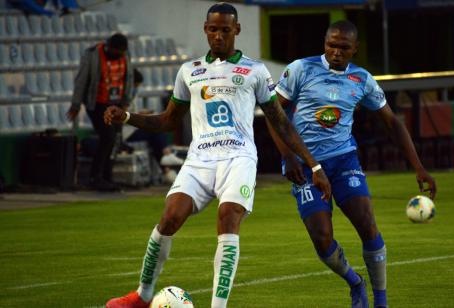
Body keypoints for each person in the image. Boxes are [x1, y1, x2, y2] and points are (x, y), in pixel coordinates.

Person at [103, 3, 330, 308]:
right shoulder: (189, 71)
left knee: (228, 217)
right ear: (205, 29)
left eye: (225, 29)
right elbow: (168, 120)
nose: (219, 35)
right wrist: (127, 116)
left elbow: (281, 122)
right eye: (213, 29)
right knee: (169, 218)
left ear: (236, 30)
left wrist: (312, 164)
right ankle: (142, 296)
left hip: (239, 159)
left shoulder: (254, 71)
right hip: (199, 160)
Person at [267, 20, 437, 308]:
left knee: (367, 224)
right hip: (305, 166)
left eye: (343, 47)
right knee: (322, 238)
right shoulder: (301, 69)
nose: (336, 51)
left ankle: (381, 301)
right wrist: (287, 155)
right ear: (324, 43)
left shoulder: (362, 79)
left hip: (344, 159)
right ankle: (355, 282)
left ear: (354, 48)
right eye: (331, 45)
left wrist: (418, 166)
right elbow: (273, 114)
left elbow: (392, 123)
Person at [67, 33, 133, 191]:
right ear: (109, 47)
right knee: (108, 137)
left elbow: (128, 78)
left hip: (117, 104)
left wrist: (125, 102)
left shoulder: (125, 55)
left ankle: (107, 177)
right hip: (98, 104)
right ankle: (95, 177)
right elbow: (81, 80)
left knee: (115, 139)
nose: (119, 55)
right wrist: (76, 104)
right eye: (116, 52)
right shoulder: (92, 55)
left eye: (121, 53)